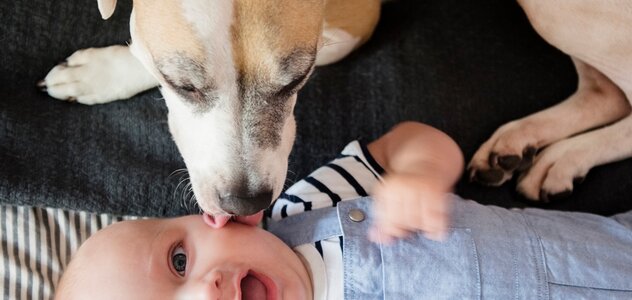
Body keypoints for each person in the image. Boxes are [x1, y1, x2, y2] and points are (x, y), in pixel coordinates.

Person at [54, 122, 632, 299]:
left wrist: (418, 173)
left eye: (179, 262)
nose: (206, 293)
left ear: (222, 215)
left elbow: (407, 140)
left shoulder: (307, 205)